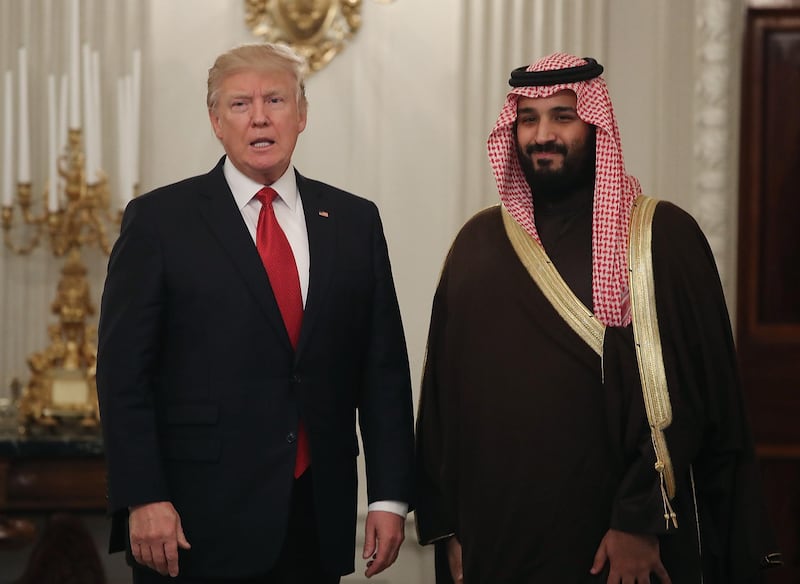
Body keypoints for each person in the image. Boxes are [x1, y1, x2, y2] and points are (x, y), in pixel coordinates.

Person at [414, 52, 781, 583]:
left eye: (563, 116)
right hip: (497, 539)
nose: (543, 134)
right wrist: (449, 526)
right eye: (528, 118)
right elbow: (442, 399)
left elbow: (685, 390)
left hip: (615, 548)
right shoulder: (475, 244)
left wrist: (638, 519)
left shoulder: (659, 237)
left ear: (595, 123)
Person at [96, 42, 415, 584]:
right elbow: (124, 375)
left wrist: (389, 496)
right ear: (216, 121)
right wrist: (143, 496)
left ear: (302, 114)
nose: (260, 117)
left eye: (276, 99)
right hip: (191, 522)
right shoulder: (158, 221)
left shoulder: (355, 221)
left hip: (315, 516)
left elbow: (382, 370)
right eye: (241, 104)